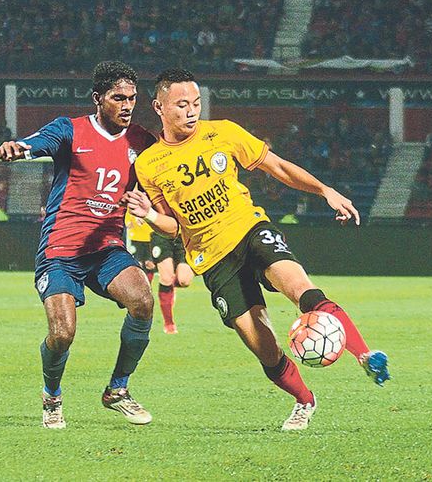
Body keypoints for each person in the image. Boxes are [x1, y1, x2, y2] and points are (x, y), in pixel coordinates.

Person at [124, 68, 389, 431]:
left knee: (303, 290)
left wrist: (325, 191)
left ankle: (365, 354)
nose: (191, 111)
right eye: (182, 104)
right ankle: (304, 400)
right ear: (159, 107)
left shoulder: (224, 132)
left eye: (196, 103)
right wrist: (150, 215)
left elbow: (276, 166)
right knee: (263, 345)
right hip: (213, 260)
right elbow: (174, 225)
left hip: (249, 229)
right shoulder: (149, 164)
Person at [0, 61, 157, 430]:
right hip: (60, 251)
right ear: (98, 98)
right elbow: (36, 143)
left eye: (133, 98)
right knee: (63, 333)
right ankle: (51, 396)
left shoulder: (142, 141)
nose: (128, 105)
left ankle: (117, 390)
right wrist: (18, 148)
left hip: (105, 249)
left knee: (143, 300)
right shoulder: (70, 129)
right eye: (119, 98)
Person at [150, 233, 194, 334]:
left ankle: (169, 289)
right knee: (166, 278)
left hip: (183, 236)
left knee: (184, 281)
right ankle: (169, 323)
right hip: (161, 235)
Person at [125, 209, 156, 284]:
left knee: (150, 264)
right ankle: (140, 284)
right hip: (135, 238)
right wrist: (129, 222)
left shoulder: (150, 206)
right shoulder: (132, 206)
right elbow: (127, 221)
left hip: (150, 238)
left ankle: (148, 284)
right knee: (138, 263)